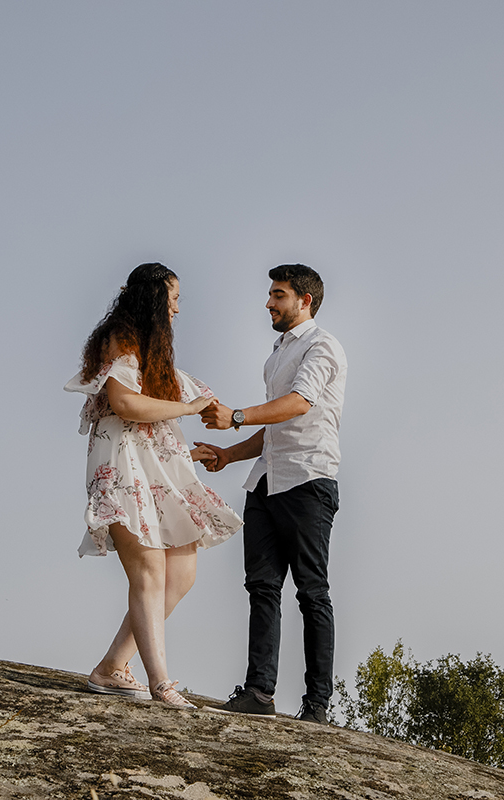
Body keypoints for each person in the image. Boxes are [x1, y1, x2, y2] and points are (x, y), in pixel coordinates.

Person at [64, 262, 243, 709]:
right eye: (173, 299)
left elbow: (153, 419)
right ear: (154, 299)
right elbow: (125, 404)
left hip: (154, 465)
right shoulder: (120, 338)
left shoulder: (152, 348)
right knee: (148, 569)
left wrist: (187, 454)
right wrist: (189, 408)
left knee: (181, 573)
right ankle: (161, 683)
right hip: (121, 462)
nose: (177, 309)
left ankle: (112, 666)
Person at [195, 264, 347, 724]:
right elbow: (274, 427)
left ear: (305, 300)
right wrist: (228, 455)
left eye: (278, 295)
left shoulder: (322, 346)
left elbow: (299, 403)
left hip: (308, 478)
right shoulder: (276, 353)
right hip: (266, 479)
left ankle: (317, 705)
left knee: (312, 591)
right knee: (261, 586)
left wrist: (236, 416)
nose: (268, 303)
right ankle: (259, 692)